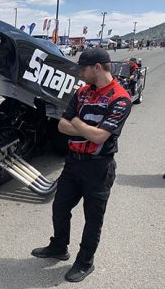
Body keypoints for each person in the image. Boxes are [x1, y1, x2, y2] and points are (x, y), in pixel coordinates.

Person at [31, 48, 132, 282]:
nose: (80, 74)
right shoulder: (82, 92)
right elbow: (60, 126)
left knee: (93, 218)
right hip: (73, 162)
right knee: (60, 207)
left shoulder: (120, 98)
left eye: (83, 69)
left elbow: (99, 137)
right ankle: (58, 247)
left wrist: (76, 120)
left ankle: (85, 262)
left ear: (97, 67)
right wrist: (85, 127)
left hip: (98, 167)